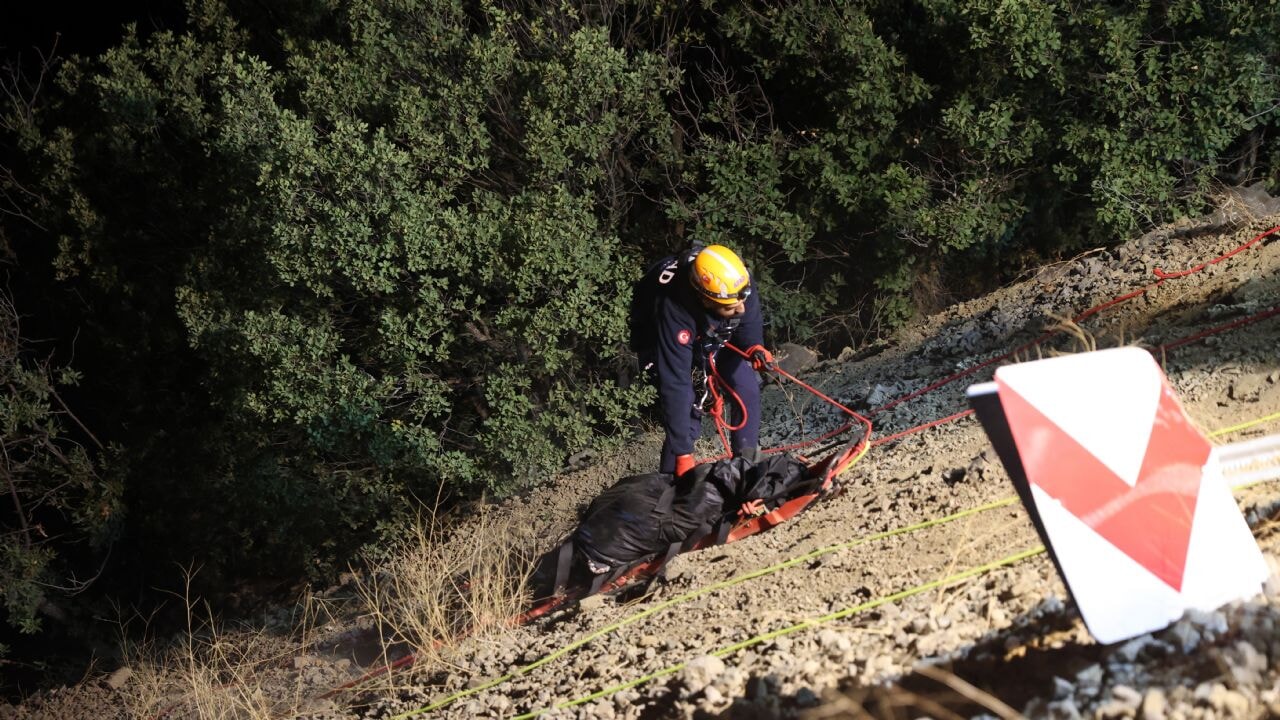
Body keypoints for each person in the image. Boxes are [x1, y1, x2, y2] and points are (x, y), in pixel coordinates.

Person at [629, 244, 774, 477]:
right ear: (706, 300)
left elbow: (748, 315)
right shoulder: (673, 310)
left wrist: (754, 346)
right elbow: (675, 384)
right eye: (732, 307)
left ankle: (746, 464)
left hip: (710, 328)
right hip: (661, 341)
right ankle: (671, 480)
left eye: (742, 299)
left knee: (746, 387)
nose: (741, 308)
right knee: (689, 408)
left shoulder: (736, 282)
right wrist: (683, 453)